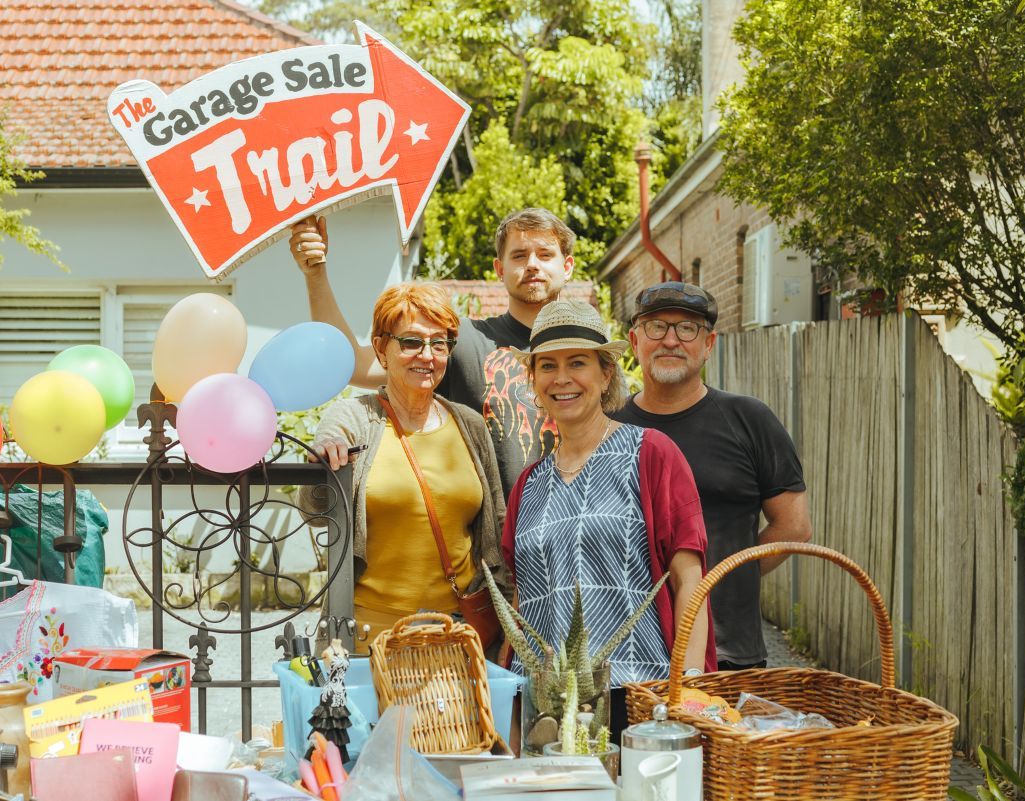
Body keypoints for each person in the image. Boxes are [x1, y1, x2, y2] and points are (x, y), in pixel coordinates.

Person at [500, 300, 715, 742]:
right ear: (534, 381)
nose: (562, 379)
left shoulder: (650, 454)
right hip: (546, 709)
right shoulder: (529, 482)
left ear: (605, 374)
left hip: (637, 697)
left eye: (577, 362)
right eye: (547, 366)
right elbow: (522, 605)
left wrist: (689, 687)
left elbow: (690, 582)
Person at [289, 208, 576, 494]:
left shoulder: (590, 353)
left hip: (581, 531)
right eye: (519, 255)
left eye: (545, 254)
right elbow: (354, 365)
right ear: (499, 269)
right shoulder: (462, 340)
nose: (532, 265)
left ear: (567, 266)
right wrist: (316, 274)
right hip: (494, 534)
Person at [611, 282, 812, 670]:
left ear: (709, 344)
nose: (671, 340)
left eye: (687, 328)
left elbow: (794, 526)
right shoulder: (610, 430)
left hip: (728, 652)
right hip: (631, 655)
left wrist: (724, 577)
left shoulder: (750, 421)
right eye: (656, 327)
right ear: (635, 342)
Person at [300, 282, 510, 642]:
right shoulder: (353, 419)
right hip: (369, 637)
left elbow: (496, 526)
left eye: (439, 343)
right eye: (411, 341)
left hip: (456, 635)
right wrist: (324, 462)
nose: (426, 355)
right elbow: (313, 509)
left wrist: (506, 618)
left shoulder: (469, 425)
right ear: (381, 349)